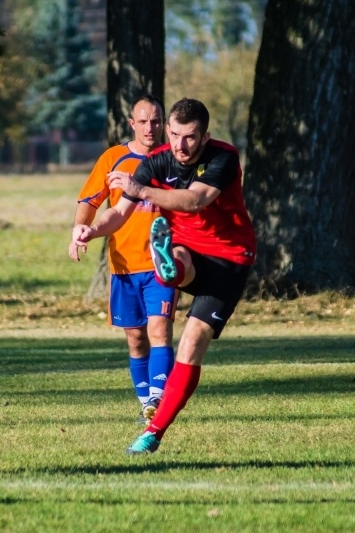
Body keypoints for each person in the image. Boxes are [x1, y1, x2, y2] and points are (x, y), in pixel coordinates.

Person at [71, 97, 256, 454]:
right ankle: (168, 268)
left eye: (189, 137)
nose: (180, 146)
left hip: (230, 259)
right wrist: (91, 231)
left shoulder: (224, 157)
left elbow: (193, 201)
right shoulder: (157, 162)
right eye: (174, 135)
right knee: (177, 256)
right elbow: (119, 213)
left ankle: (153, 432)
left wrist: (140, 189)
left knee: (190, 345)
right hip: (187, 249)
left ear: (205, 137)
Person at [69, 94, 177, 425]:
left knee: (160, 329)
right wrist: (79, 230)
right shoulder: (114, 158)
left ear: (164, 124)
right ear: (132, 123)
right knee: (136, 337)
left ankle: (159, 398)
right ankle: (146, 400)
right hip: (124, 267)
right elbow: (91, 199)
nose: (150, 127)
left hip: (162, 265)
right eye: (143, 121)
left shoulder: (174, 160)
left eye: (156, 121)